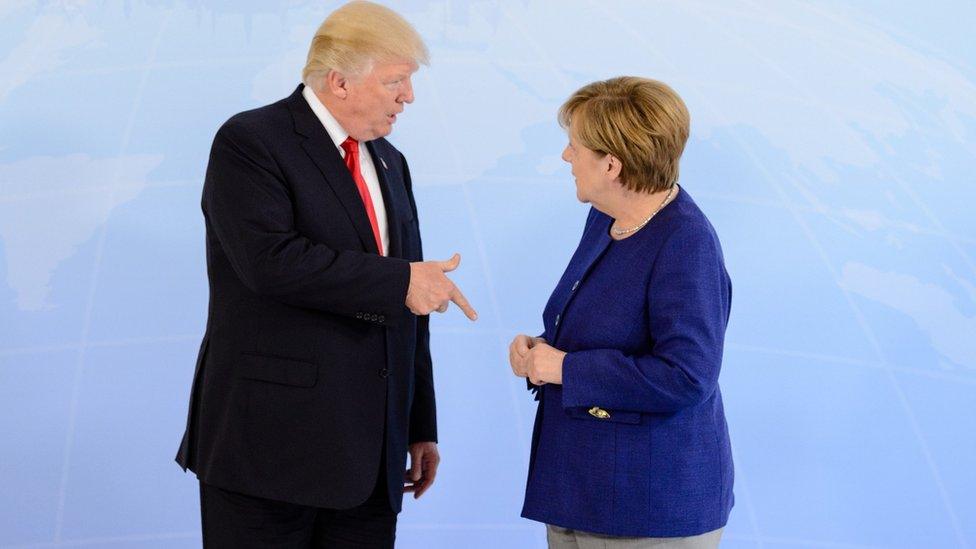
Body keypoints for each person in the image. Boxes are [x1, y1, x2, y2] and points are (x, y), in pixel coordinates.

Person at [175, 2, 477, 547]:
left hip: (370, 463)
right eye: (396, 81)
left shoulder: (390, 160)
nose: (408, 96)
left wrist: (418, 425)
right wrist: (402, 282)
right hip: (269, 454)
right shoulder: (251, 142)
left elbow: (411, 299)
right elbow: (270, 262)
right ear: (340, 82)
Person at [509, 77, 733, 548]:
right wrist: (541, 353)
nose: (567, 158)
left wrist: (565, 367)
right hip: (579, 488)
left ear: (612, 164)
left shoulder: (686, 242)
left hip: (646, 505)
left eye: (575, 147)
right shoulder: (606, 218)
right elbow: (603, 331)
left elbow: (687, 376)